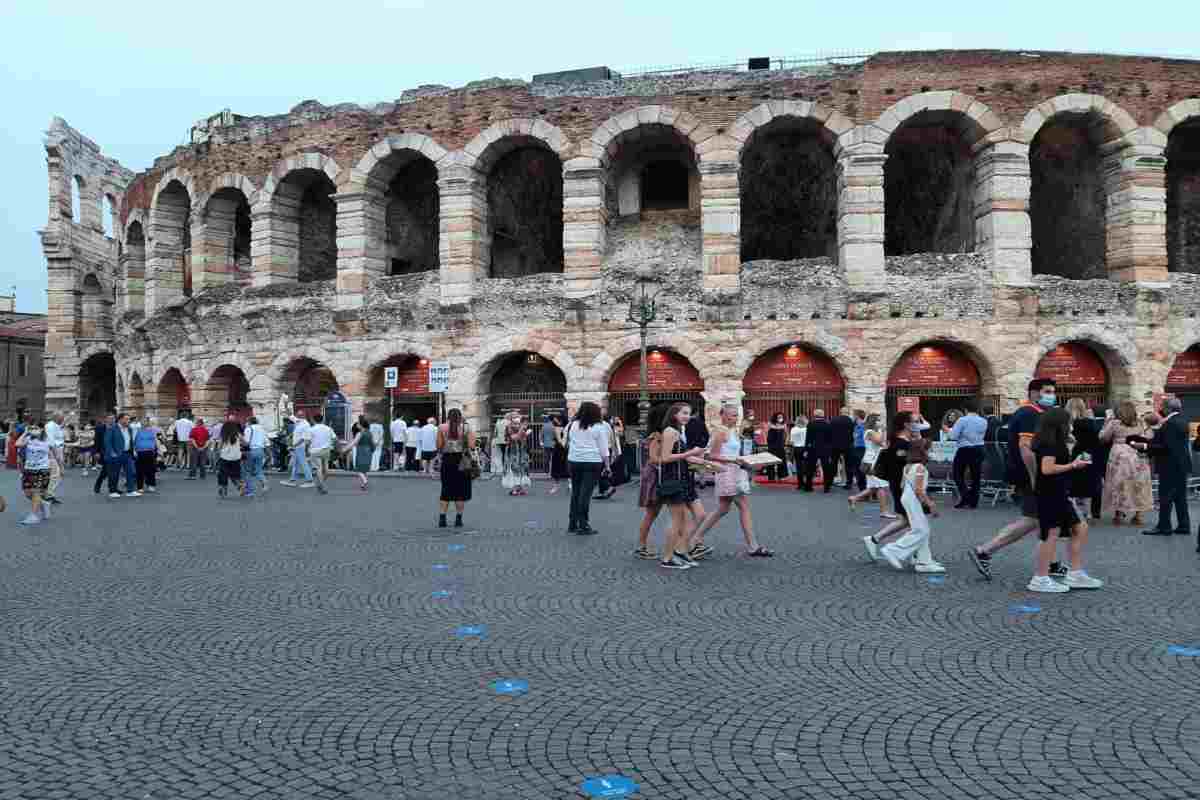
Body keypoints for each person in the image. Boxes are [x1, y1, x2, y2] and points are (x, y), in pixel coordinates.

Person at [969, 379, 1071, 582]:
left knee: (1044, 520)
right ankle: (985, 551)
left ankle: (1050, 563)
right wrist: (1035, 478)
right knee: (1033, 519)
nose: (1052, 395)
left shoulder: (1033, 413)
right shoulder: (1029, 414)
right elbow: (1026, 449)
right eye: (1048, 391)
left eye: (1053, 391)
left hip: (1031, 473)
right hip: (1031, 475)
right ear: (1034, 393)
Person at [1028, 408, 1104, 592]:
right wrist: (1073, 465)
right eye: (1068, 422)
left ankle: (1075, 574)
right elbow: (1047, 469)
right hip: (1050, 492)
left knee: (1080, 527)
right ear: (1060, 424)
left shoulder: (1053, 441)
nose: (1071, 425)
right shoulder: (1051, 443)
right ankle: (1040, 578)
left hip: (1058, 491)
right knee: (1050, 534)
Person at [692, 403, 773, 557]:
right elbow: (710, 455)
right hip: (726, 472)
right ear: (723, 415)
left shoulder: (731, 431)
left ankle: (696, 539)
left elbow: (730, 454)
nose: (736, 418)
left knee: (723, 509)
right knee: (742, 506)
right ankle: (753, 546)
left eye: (737, 415)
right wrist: (734, 460)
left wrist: (745, 461)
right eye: (733, 415)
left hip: (732, 470)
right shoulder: (721, 431)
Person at [879, 438, 945, 573]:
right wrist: (930, 504)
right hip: (913, 498)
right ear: (923, 451)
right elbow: (919, 490)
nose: (931, 451)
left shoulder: (907, 466)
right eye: (929, 448)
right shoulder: (920, 467)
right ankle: (893, 550)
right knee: (921, 530)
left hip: (907, 497)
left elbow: (903, 485)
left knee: (922, 529)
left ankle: (924, 561)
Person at [653, 403, 706, 568]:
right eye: (684, 413)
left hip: (683, 478)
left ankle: (680, 551)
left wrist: (706, 462)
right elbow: (665, 457)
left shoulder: (679, 432)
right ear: (674, 414)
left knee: (697, 515)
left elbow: (682, 457)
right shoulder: (670, 432)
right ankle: (668, 558)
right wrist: (690, 453)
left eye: (689, 414)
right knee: (677, 520)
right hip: (673, 479)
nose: (687, 417)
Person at [1137, 396, 1192, 536]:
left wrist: (1144, 446)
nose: (1160, 409)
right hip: (1181, 465)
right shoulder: (1183, 420)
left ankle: (1164, 526)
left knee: (1165, 496)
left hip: (1169, 465)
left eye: (1162, 406)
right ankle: (1183, 525)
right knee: (1180, 497)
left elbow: (1165, 447)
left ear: (1167, 408)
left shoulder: (1170, 424)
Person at [863, 411, 915, 560]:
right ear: (906, 424)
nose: (916, 425)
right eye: (913, 422)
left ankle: (876, 540)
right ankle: (897, 548)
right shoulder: (900, 443)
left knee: (909, 521)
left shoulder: (899, 441)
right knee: (913, 522)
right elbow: (902, 465)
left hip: (901, 484)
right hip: (902, 485)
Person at [1099, 400, 1154, 526]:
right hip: (1137, 454)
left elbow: (1103, 437)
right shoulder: (1140, 422)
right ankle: (1138, 515)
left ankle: (1118, 515)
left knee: (1119, 484)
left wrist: (1105, 424)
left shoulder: (1114, 423)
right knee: (1139, 484)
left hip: (1119, 455)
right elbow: (1149, 436)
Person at [566, 401, 611, 535]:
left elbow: (569, 441)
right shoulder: (598, 427)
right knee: (585, 494)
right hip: (592, 461)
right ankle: (583, 524)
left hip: (574, 460)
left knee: (576, 492)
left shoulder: (573, 425)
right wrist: (607, 465)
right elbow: (604, 449)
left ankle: (572, 523)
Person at [437, 408, 476, 528]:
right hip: (462, 461)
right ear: (460, 417)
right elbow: (471, 445)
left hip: (447, 460)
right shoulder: (467, 428)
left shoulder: (441, 427)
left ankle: (442, 519)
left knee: (446, 489)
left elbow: (438, 445)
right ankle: (458, 519)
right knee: (460, 491)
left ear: (448, 416)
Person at [1065, 399, 1103, 521]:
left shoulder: (1066, 423)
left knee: (1072, 483)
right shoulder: (1090, 422)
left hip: (1072, 454)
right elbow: (1097, 440)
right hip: (1089, 455)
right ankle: (1090, 512)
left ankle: (1073, 510)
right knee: (1090, 483)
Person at [849, 414, 893, 517]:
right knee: (882, 485)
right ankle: (884, 511)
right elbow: (880, 442)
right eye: (879, 420)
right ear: (874, 422)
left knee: (873, 487)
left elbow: (884, 445)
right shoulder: (870, 432)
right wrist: (883, 430)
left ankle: (854, 498)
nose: (881, 422)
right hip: (872, 462)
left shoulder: (874, 432)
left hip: (873, 460)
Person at [947, 398, 987, 509]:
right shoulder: (983, 420)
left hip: (965, 449)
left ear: (965, 409)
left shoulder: (962, 420)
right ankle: (973, 501)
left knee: (957, 474)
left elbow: (952, 436)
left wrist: (949, 431)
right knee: (976, 476)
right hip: (979, 448)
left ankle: (965, 497)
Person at [13, 424, 49, 524]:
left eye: (36, 428)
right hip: (28, 469)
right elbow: (17, 444)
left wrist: (61, 466)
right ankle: (43, 503)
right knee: (28, 493)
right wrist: (25, 433)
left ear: (41, 429)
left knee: (36, 491)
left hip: (42, 469)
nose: (33, 430)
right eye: (32, 428)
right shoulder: (28, 439)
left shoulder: (48, 440)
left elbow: (56, 453)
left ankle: (33, 516)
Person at [104, 412, 140, 498]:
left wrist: (134, 450)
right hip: (116, 454)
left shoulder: (129, 429)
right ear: (120, 419)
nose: (128, 421)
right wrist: (112, 452)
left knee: (131, 472)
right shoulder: (112, 428)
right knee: (114, 473)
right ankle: (112, 491)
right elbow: (107, 442)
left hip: (127, 453)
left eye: (129, 419)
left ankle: (130, 490)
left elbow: (130, 441)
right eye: (126, 419)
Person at [803, 409, 834, 492]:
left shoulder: (810, 424)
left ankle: (808, 486)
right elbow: (830, 439)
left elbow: (808, 438)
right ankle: (827, 487)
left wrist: (806, 449)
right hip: (825, 449)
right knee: (826, 468)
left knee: (810, 468)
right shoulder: (828, 424)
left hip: (813, 448)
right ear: (823, 415)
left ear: (814, 415)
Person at [215, 418, 245, 498]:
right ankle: (239, 485)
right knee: (235, 474)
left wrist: (219, 451)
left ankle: (223, 489)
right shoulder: (238, 434)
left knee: (223, 474)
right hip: (236, 457)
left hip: (225, 457)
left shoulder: (223, 435)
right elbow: (245, 443)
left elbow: (219, 447)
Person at [281, 412, 314, 487]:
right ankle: (293, 479)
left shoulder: (306, 425)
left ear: (303, 416)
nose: (297, 416)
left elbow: (304, 438)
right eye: (297, 415)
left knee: (303, 463)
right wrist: (286, 407)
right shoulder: (299, 421)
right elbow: (291, 416)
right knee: (296, 464)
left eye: (299, 415)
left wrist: (293, 445)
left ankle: (310, 480)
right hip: (297, 447)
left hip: (300, 447)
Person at [307, 413, 337, 495]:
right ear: (322, 420)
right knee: (326, 469)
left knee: (319, 469)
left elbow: (308, 441)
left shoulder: (311, 429)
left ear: (313, 420)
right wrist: (330, 444)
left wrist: (307, 449)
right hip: (326, 450)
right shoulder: (328, 429)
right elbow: (335, 439)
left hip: (314, 451)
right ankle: (321, 484)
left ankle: (321, 485)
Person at [502, 415, 530, 495]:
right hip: (513, 452)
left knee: (522, 469)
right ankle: (514, 489)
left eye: (518, 417)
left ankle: (520, 488)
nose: (517, 419)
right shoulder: (509, 427)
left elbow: (523, 439)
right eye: (515, 417)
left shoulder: (520, 427)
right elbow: (514, 438)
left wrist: (525, 434)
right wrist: (522, 430)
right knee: (514, 470)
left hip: (521, 452)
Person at [345, 415, 374, 491]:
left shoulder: (360, 433)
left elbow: (354, 443)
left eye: (358, 424)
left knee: (358, 469)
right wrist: (372, 450)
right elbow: (372, 443)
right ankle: (363, 484)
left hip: (361, 451)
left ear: (361, 425)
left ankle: (364, 481)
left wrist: (346, 449)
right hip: (368, 451)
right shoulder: (369, 433)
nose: (357, 425)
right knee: (364, 468)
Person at [829, 408, 855, 490]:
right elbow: (852, 433)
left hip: (835, 445)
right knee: (848, 465)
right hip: (848, 445)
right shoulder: (851, 421)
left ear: (840, 412)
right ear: (847, 413)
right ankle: (849, 483)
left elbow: (830, 432)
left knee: (833, 463)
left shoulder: (833, 420)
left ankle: (830, 482)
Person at [43, 412, 66, 506]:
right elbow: (51, 442)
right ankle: (48, 495)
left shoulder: (55, 425)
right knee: (56, 474)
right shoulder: (50, 426)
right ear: (57, 418)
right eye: (62, 418)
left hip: (58, 449)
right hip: (54, 451)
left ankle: (48, 493)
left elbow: (58, 435)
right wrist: (57, 457)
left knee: (56, 474)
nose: (63, 420)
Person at [243, 416, 269, 496]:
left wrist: (241, 440)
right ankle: (264, 483)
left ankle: (249, 491)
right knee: (259, 470)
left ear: (249, 422)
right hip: (260, 450)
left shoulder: (248, 429)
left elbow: (246, 442)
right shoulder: (262, 429)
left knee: (247, 471)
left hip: (251, 450)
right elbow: (267, 442)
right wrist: (268, 453)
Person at [133, 416, 160, 493]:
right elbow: (134, 441)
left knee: (150, 469)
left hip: (150, 452)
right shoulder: (137, 431)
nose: (143, 422)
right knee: (140, 470)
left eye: (145, 421)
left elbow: (155, 440)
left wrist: (159, 451)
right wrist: (134, 451)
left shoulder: (152, 431)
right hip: (140, 452)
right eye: (142, 421)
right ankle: (140, 487)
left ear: (148, 422)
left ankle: (151, 485)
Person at [91, 414, 113, 494]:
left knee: (110, 470)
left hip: (113, 452)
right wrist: (96, 452)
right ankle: (100, 483)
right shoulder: (100, 428)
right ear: (106, 419)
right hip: (103, 452)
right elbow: (96, 441)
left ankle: (111, 487)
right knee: (107, 469)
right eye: (110, 418)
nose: (112, 420)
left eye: (113, 419)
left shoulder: (115, 428)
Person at [765, 413, 788, 482]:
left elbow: (787, 434)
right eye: (779, 417)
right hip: (771, 444)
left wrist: (785, 442)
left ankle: (781, 476)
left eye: (781, 417)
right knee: (771, 461)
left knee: (781, 461)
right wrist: (766, 443)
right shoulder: (770, 423)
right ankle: (771, 477)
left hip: (780, 445)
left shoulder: (784, 424)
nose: (780, 418)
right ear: (775, 418)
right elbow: (766, 432)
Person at [848, 410, 868, 492]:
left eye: (853, 415)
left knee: (860, 470)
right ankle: (862, 488)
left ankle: (865, 489)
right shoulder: (856, 426)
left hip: (862, 449)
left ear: (857, 416)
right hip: (856, 449)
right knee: (857, 469)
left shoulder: (864, 426)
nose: (852, 417)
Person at [550, 415, 570, 493]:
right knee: (567, 466)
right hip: (566, 449)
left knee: (557, 468)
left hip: (558, 449)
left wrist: (562, 443)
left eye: (557, 420)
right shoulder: (568, 428)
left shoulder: (557, 428)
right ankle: (570, 484)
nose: (555, 421)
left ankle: (556, 486)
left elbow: (559, 440)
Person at [187, 417, 210, 481]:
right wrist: (203, 447)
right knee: (203, 462)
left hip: (195, 448)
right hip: (204, 448)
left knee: (194, 461)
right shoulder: (206, 430)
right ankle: (203, 475)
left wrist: (197, 447)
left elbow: (192, 439)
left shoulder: (193, 429)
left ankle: (192, 475)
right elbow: (208, 440)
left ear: (197, 423)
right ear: (202, 423)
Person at [789, 414, 807, 491]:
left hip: (796, 448)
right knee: (806, 466)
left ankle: (800, 484)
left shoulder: (793, 429)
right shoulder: (806, 429)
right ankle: (806, 483)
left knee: (799, 466)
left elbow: (792, 442)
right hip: (805, 448)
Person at [540, 414, 557, 489]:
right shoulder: (553, 426)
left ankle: (546, 472)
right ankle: (552, 472)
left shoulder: (544, 426)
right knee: (553, 459)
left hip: (546, 444)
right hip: (553, 444)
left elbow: (541, 435)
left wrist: (541, 442)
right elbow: (555, 435)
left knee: (546, 458)